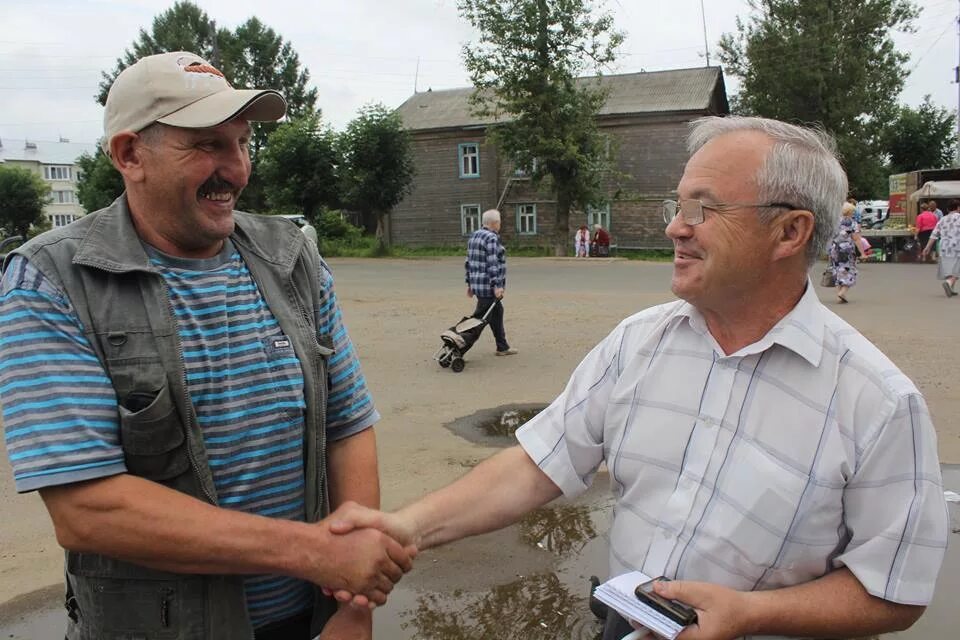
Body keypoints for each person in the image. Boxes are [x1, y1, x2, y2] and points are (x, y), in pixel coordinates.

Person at [331, 116, 947, 640]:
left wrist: (755, 613)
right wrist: (405, 528)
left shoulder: (878, 403)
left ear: (790, 231)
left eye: (702, 209)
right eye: (676, 207)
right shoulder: (640, 342)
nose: (676, 227)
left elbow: (894, 589)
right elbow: (538, 463)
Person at [0, 52, 414, 640]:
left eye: (242, 143)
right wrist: (310, 552)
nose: (237, 168)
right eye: (207, 145)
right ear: (128, 155)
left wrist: (354, 607)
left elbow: (347, 424)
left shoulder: (292, 257)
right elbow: (87, 509)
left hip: (311, 621)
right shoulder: (53, 280)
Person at [466, 209, 517, 356]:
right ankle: (459, 345)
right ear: (495, 223)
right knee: (479, 320)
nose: (500, 224)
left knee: (497, 312)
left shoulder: (474, 236)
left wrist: (469, 283)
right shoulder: (491, 238)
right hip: (488, 286)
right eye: (499, 221)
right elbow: (493, 263)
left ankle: (502, 347)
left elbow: (468, 261)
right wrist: (497, 286)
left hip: (478, 285)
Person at [828, 201, 867, 303]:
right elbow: (856, 239)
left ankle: (839, 295)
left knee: (837, 270)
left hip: (834, 248)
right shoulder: (852, 223)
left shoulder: (834, 222)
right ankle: (843, 292)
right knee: (849, 270)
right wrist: (862, 253)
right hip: (847, 249)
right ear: (850, 212)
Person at [922, 199, 960, 297]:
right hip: (957, 247)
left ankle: (951, 289)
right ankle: (948, 283)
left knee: (948, 268)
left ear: (947, 209)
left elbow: (934, 235)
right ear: (958, 208)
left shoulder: (942, 219)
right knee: (956, 269)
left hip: (944, 248)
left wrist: (927, 247)